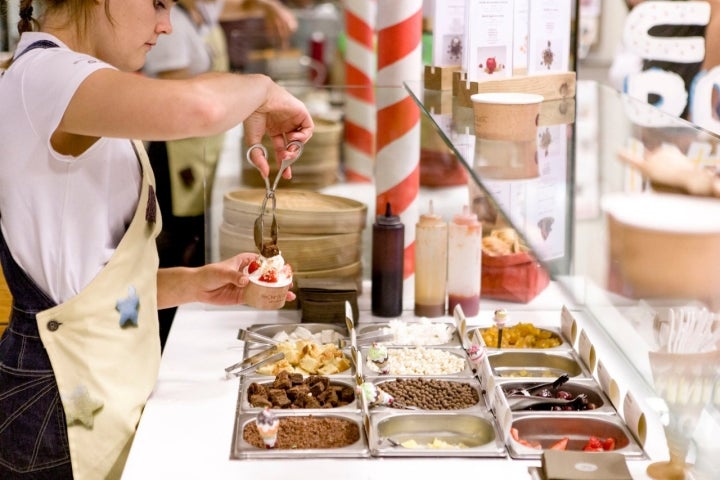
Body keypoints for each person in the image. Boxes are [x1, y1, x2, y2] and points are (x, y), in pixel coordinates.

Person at [0, 1, 313, 479]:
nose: (166, 25)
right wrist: (265, 91)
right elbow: (201, 108)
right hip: (57, 401)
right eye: (158, 3)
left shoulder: (77, 83)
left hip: (93, 385)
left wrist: (190, 284)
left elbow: (85, 287)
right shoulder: (45, 75)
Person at [142, 0, 231, 349]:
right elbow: (175, 100)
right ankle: (162, 335)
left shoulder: (199, 16)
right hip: (176, 154)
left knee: (189, 239)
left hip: (198, 148)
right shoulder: (173, 22)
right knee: (172, 245)